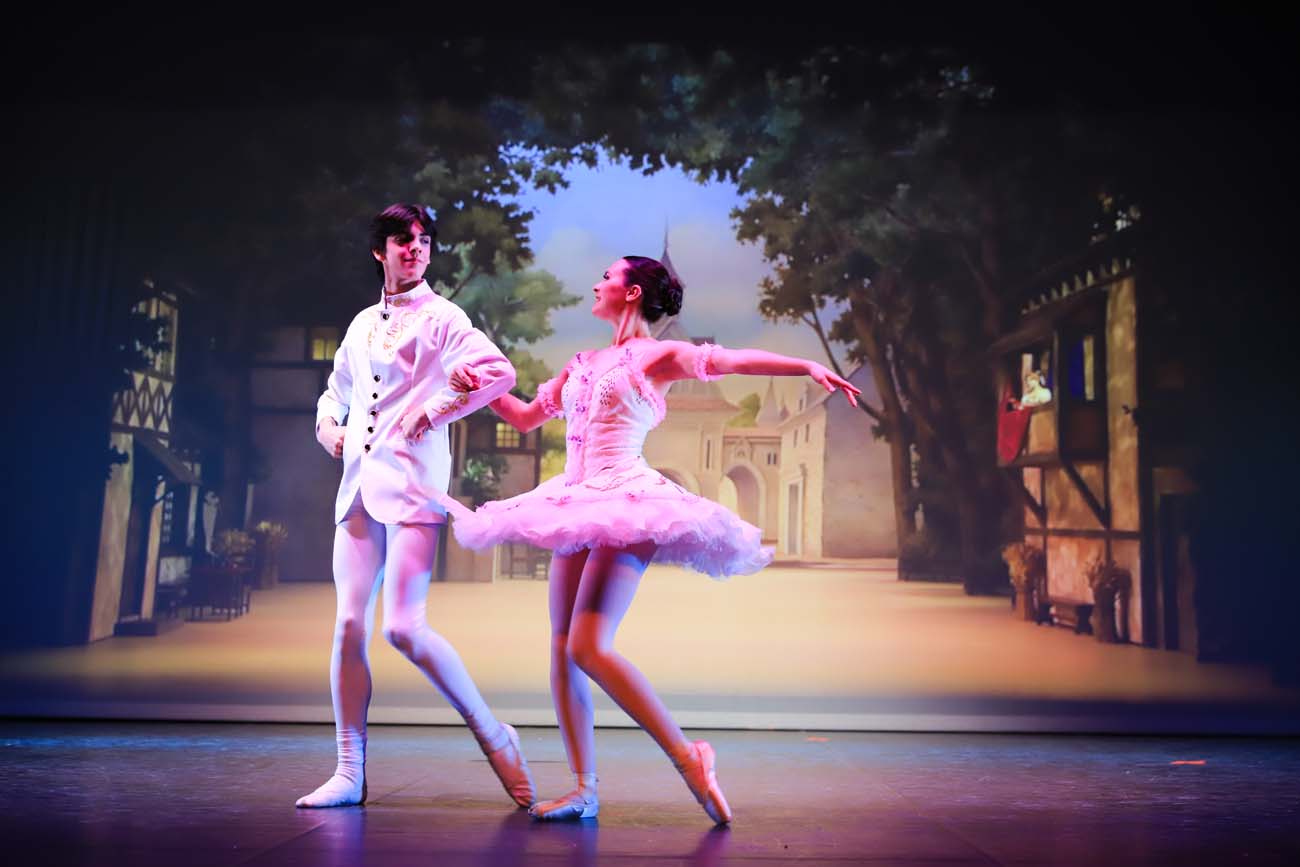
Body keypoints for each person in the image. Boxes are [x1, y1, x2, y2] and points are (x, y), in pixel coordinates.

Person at [440, 255, 860, 824]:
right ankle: (584, 789)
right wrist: (483, 388)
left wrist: (805, 365)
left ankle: (689, 756)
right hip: (574, 501)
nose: (596, 284)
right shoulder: (582, 363)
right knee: (563, 648)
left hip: (629, 500)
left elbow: (732, 360)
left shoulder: (657, 355)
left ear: (633, 291)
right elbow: (523, 417)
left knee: (588, 646)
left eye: (606, 277)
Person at [297, 203, 534, 810]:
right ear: (380, 250)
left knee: (403, 627)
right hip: (358, 485)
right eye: (403, 240)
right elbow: (336, 391)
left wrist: (433, 411)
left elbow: (498, 372)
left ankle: (494, 734)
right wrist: (329, 428)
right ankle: (349, 770)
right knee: (349, 625)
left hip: (411, 487)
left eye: (424, 240)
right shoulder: (360, 324)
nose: (415, 248)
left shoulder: (444, 317)